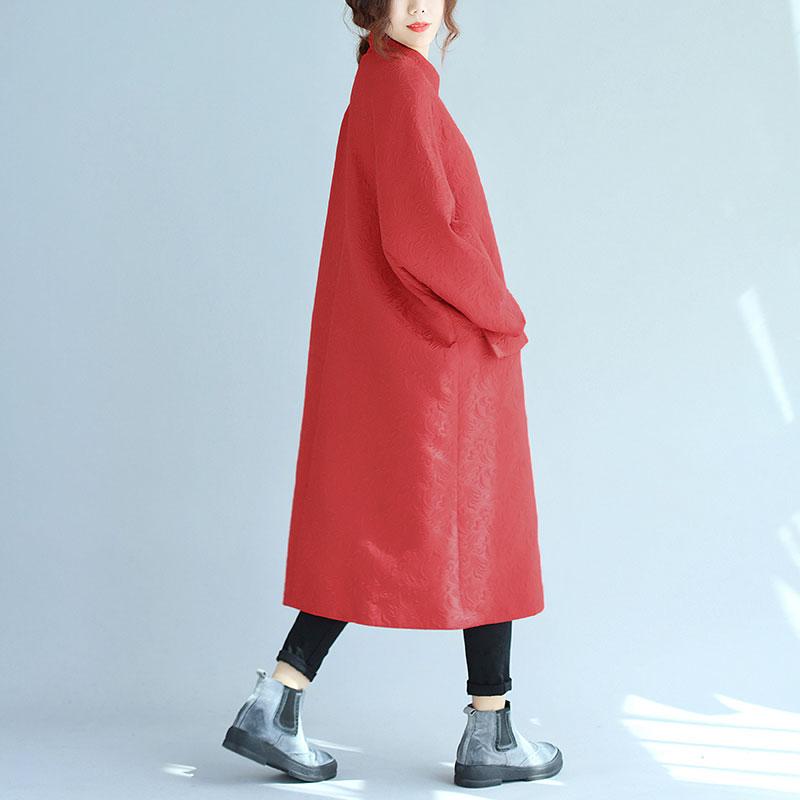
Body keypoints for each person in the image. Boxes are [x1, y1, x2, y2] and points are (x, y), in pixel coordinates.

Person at [222, 0, 563, 788]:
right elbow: (422, 234)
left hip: (412, 350)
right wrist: (502, 312)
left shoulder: (379, 81)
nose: (417, 7)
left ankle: (280, 701)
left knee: (377, 529)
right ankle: (488, 732)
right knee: (484, 529)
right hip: (444, 355)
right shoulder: (402, 86)